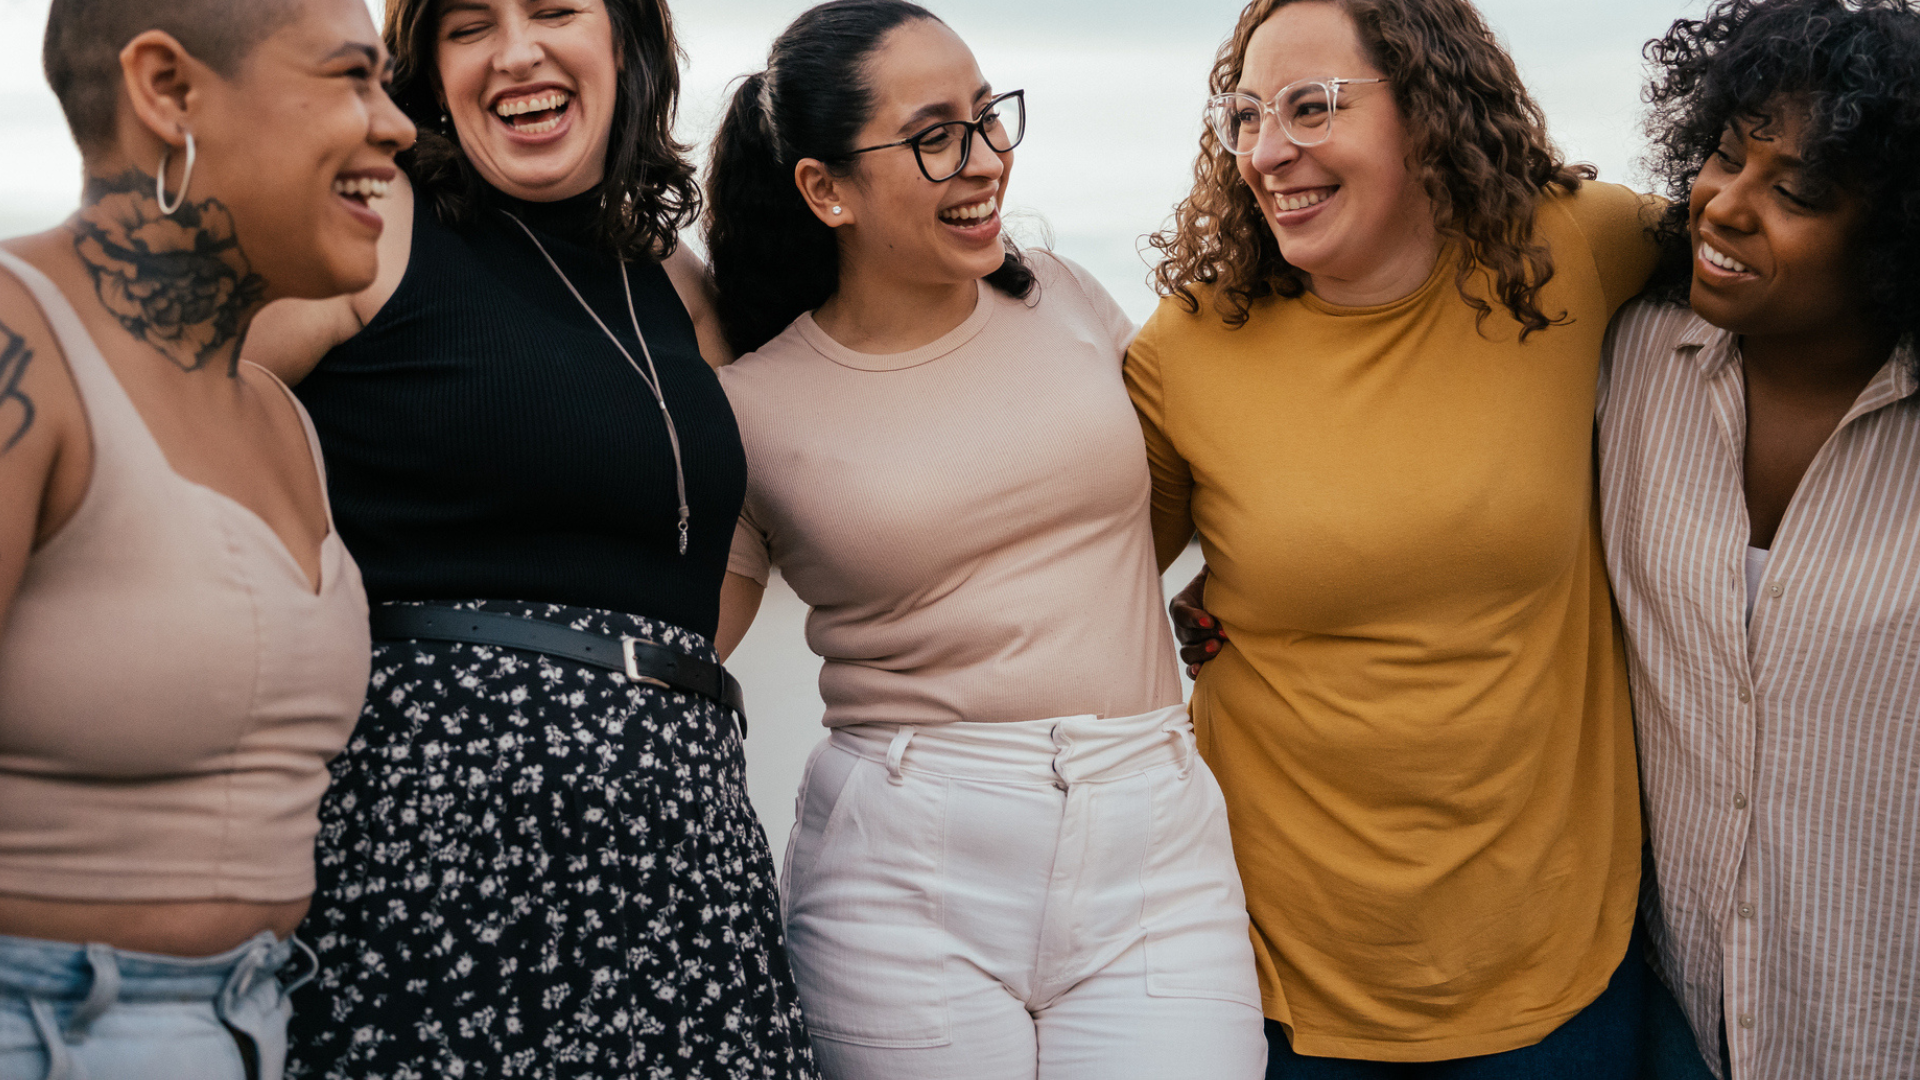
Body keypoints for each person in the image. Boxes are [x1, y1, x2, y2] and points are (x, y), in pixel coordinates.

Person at [240, 0, 815, 1076]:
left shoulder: (676, 278)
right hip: (432, 853)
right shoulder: (373, 215)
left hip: (682, 857)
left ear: (625, 44)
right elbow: (181, 422)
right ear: (426, 69)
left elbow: (718, 552)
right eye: (468, 26)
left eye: (555, 10)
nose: (516, 51)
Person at [703, 3, 1268, 1078]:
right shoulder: (750, 407)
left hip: (1152, 833)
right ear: (826, 189)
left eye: (988, 117)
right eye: (935, 136)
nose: (985, 160)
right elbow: (694, 644)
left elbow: (1200, 478)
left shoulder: (1064, 297)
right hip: (904, 873)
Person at [1130, 0, 1664, 1074]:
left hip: (1561, 965)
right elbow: (1078, 586)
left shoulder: (1573, 247)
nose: (1267, 152)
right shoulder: (1188, 347)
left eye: (1311, 108)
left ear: (1428, 110)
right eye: (1244, 116)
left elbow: (1805, 257)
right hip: (1281, 977)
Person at [0, 0, 411, 1075]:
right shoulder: (18, 348)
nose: (399, 125)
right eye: (351, 78)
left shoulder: (278, 416)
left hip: (259, 1023)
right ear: (168, 92)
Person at [1601, 2, 1920, 1076]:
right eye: (1725, 158)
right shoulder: (1627, 363)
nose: (1724, 207)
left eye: (1797, 194)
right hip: (1668, 1027)